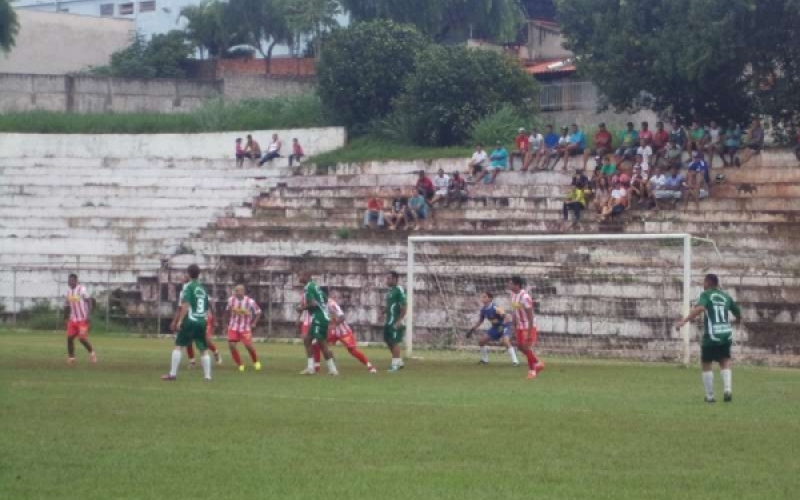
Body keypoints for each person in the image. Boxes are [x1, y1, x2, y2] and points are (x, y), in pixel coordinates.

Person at [675, 273, 741, 403]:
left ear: (708, 282)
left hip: (712, 335)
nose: (702, 285)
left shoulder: (706, 295)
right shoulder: (726, 296)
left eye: (703, 282)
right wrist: (737, 321)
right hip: (726, 334)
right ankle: (727, 389)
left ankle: (710, 396)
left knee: (706, 363)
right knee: (725, 360)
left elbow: (699, 308)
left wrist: (684, 321)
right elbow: (737, 311)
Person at [163, 265, 211, 381]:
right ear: (198, 274)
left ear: (189, 274)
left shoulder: (188, 287)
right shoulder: (203, 289)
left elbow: (186, 304)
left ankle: (172, 374)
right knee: (203, 349)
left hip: (190, 319)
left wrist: (180, 321)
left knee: (178, 346)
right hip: (201, 320)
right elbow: (206, 308)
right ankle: (207, 376)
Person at [322, 287, 377, 373]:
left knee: (352, 350)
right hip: (333, 330)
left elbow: (342, 317)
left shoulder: (332, 304)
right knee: (321, 343)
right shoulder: (321, 305)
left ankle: (370, 366)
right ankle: (331, 367)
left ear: (324, 295)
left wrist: (334, 325)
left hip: (343, 331)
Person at [298, 272, 338, 376]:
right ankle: (320, 368)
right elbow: (324, 298)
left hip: (318, 317)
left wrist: (302, 308)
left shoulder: (308, 287)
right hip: (323, 316)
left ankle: (329, 369)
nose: (299, 278)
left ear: (306, 276)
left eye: (301, 275)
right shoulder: (315, 286)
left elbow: (312, 303)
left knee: (321, 343)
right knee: (309, 340)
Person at [465, 292, 519, 366]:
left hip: (505, 326)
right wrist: (472, 330)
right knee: (481, 342)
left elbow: (507, 317)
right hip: (495, 328)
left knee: (505, 341)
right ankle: (485, 360)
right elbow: (480, 321)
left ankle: (515, 361)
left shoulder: (495, 307)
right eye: (482, 297)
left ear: (490, 299)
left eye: (485, 297)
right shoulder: (483, 310)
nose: (483, 298)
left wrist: (502, 326)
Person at [509, 276, 543, 380]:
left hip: (528, 325)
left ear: (517, 285)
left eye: (510, 284)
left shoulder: (525, 297)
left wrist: (529, 332)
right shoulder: (513, 295)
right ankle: (537, 362)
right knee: (520, 347)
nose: (508, 285)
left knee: (526, 347)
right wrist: (514, 321)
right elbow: (515, 309)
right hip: (520, 325)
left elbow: (530, 315)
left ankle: (532, 370)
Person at [224, 285, 262, 372]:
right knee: (231, 345)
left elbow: (258, 312)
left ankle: (255, 361)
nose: (236, 292)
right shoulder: (231, 300)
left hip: (245, 328)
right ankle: (240, 364)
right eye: (235, 291)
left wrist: (254, 323)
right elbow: (226, 311)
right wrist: (225, 324)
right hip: (233, 326)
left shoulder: (250, 301)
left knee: (249, 346)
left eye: (238, 291)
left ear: (243, 292)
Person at [64, 273, 96, 365]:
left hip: (82, 319)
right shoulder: (68, 291)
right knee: (69, 338)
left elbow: (89, 301)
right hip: (73, 319)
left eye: (72, 280)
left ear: (76, 281)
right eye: (69, 280)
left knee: (82, 339)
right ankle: (71, 358)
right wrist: (65, 317)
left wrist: (89, 314)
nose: (70, 282)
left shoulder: (82, 289)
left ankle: (92, 353)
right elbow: (67, 305)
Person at [384, 271, 407, 373]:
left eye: (389, 278)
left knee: (394, 342)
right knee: (388, 341)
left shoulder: (399, 290)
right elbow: (391, 304)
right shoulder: (390, 291)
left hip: (395, 320)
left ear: (394, 279)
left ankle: (394, 365)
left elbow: (404, 306)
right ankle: (399, 362)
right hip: (389, 320)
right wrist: (384, 310)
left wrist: (400, 320)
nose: (387, 280)